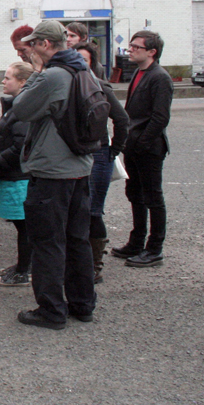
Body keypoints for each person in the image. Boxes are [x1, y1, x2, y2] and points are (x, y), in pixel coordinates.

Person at [11, 20, 96, 329]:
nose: (29, 50)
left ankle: (51, 310)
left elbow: (20, 108)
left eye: (33, 44)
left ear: (46, 45)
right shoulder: (83, 70)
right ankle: (83, 304)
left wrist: (36, 74)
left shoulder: (54, 75)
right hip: (79, 167)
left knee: (48, 242)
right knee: (77, 239)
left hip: (52, 171)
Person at [111, 30, 173, 269]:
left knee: (153, 197)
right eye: (131, 46)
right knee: (135, 194)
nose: (131, 50)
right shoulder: (139, 72)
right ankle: (136, 243)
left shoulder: (160, 78)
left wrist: (143, 143)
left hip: (149, 148)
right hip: (134, 146)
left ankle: (154, 248)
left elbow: (160, 118)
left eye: (136, 47)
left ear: (151, 51)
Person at [73, 41, 129, 282]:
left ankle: (94, 265)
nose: (79, 64)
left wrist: (113, 150)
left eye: (83, 60)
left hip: (99, 154)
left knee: (93, 211)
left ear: (92, 64)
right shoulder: (70, 86)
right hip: (79, 154)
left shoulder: (100, 87)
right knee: (78, 211)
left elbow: (122, 119)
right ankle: (80, 261)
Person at [0, 62, 34, 287]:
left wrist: (0, 160)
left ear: (23, 82)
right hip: (13, 175)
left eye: (8, 78)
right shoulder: (16, 105)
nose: (3, 82)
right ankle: (24, 265)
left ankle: (24, 271)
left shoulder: (23, 108)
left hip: (18, 177)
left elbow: (21, 145)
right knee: (23, 225)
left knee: (24, 225)